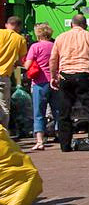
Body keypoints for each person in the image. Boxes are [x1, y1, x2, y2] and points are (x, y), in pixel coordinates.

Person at [49, 15, 89, 152]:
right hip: (85, 74)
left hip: (66, 76)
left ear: (71, 24)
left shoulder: (61, 37)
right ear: (85, 24)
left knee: (64, 112)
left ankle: (65, 145)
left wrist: (53, 76)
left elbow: (53, 58)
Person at [24, 23, 58, 151]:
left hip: (39, 82)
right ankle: (60, 135)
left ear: (38, 34)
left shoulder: (35, 47)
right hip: (54, 82)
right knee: (57, 111)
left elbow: (27, 66)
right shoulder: (55, 46)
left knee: (39, 112)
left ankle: (40, 141)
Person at [0, 16, 27, 129]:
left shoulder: (0, 32)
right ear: (19, 27)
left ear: (7, 24)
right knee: (4, 107)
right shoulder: (20, 39)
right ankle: (4, 136)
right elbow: (21, 61)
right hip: (4, 76)